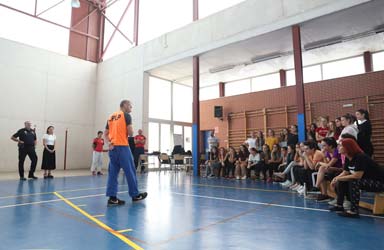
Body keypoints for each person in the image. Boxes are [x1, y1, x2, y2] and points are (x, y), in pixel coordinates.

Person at [104, 100, 147, 206]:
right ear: (125, 105)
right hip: (123, 147)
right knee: (130, 171)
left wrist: (108, 144)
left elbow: (105, 133)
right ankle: (135, 195)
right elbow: (131, 132)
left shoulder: (111, 117)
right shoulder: (126, 115)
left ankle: (112, 198)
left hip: (113, 148)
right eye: (130, 106)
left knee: (113, 173)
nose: (131, 108)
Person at [330, 138, 384, 218]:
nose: (338, 147)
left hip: (379, 183)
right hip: (367, 181)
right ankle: (339, 205)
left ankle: (354, 211)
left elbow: (357, 176)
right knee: (343, 179)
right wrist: (335, 179)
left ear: (348, 147)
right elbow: (345, 172)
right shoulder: (348, 157)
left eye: (340, 145)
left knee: (353, 181)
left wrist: (338, 178)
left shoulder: (360, 157)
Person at [314, 137, 342, 201]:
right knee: (322, 173)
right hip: (333, 168)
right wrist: (324, 156)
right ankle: (324, 194)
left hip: (340, 169)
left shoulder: (336, 151)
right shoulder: (327, 152)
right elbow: (327, 164)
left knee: (322, 168)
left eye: (324, 145)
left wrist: (320, 163)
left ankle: (316, 187)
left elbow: (328, 165)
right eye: (322, 145)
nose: (322, 147)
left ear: (330, 146)